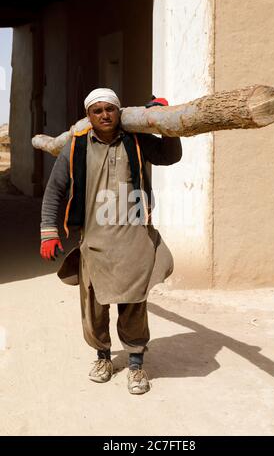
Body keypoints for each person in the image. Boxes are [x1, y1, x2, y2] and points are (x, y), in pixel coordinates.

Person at [40, 88, 182, 394]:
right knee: (94, 307)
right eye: (97, 110)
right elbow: (55, 191)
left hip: (134, 240)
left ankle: (135, 364)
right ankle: (103, 357)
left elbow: (171, 157)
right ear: (89, 116)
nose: (104, 115)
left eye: (110, 109)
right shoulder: (76, 147)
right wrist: (48, 231)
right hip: (94, 242)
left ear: (119, 112)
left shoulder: (137, 139)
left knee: (133, 305)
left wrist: (165, 121)